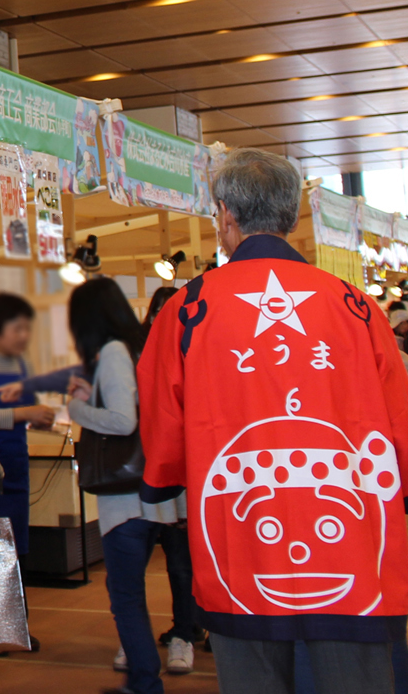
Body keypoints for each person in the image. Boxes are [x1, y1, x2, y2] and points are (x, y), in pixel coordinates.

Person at [138, 149, 408, 694]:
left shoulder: (189, 309)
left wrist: (164, 479)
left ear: (226, 215)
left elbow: (162, 429)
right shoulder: (356, 306)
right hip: (354, 544)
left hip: (240, 540)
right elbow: (399, 420)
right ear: (290, 215)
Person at [66, 276, 185, 694]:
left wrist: (76, 408)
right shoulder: (140, 346)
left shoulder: (114, 352)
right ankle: (142, 679)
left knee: (126, 597)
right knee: (129, 593)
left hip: (126, 501)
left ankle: (144, 683)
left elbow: (122, 421)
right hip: (151, 495)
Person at [135, 285, 201, 672]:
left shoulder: (191, 351)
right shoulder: (139, 354)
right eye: (158, 309)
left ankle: (186, 631)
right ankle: (164, 633)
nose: (163, 316)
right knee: (154, 560)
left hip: (183, 473)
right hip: (149, 474)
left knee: (181, 560)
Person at [0, 292, 60, 561]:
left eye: (27, 329)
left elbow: (22, 411)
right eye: (17, 329)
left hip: (17, 467)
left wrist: (39, 418)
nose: (24, 336)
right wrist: (24, 413)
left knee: (17, 547)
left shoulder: (22, 364)